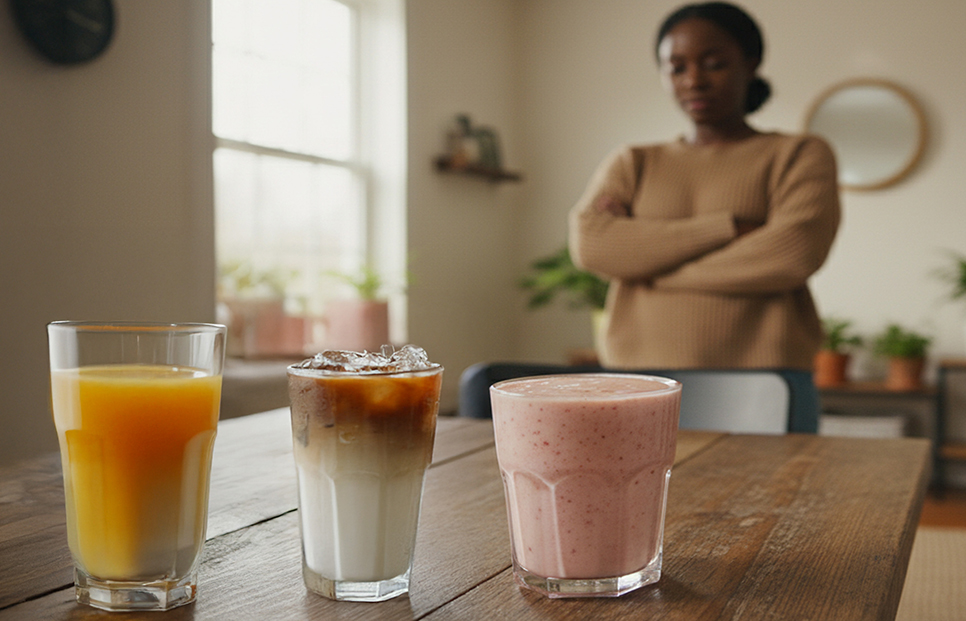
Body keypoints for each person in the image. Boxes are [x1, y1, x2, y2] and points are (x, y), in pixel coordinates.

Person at [569, 1, 840, 371]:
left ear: (750, 62)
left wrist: (647, 269)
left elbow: (792, 255)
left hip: (765, 383)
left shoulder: (798, 154)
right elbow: (593, 245)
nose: (694, 80)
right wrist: (727, 228)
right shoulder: (634, 161)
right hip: (639, 381)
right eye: (677, 68)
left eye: (714, 63)